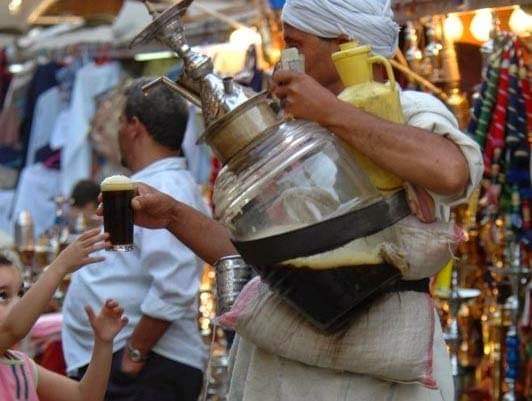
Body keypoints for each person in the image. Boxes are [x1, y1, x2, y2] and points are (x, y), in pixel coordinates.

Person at [106, 2, 483, 401]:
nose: (286, 57)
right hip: (279, 375)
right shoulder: (292, 131)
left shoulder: (405, 110)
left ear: (344, 44)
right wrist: (171, 214)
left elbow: (451, 171)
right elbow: (266, 258)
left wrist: (332, 112)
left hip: (374, 385)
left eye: (295, 43)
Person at [62, 78, 208, 401]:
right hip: (135, 363)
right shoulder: (162, 183)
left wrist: (134, 355)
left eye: (118, 122)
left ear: (133, 126)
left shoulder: (164, 187)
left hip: (149, 367)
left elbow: (175, 279)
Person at [0, 229, 127, 401]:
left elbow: (85, 397)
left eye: (21, 293)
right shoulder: (13, 336)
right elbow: (13, 329)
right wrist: (60, 266)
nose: (18, 303)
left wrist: (103, 343)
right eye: (2, 296)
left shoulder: (22, 365)